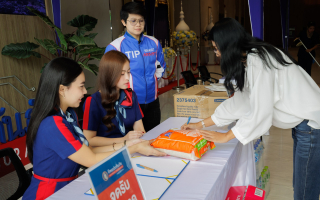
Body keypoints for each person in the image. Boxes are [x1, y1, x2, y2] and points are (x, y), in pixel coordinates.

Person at [181, 18, 320, 200]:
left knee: (304, 191)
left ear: (227, 44)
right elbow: (242, 101)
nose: (216, 54)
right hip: (304, 123)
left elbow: (260, 111)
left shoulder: (258, 59)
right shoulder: (250, 57)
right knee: (302, 185)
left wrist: (226, 136)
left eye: (216, 48)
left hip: (311, 124)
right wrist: (201, 124)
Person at [23, 57, 165, 200]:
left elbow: (86, 151)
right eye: (81, 86)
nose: (85, 91)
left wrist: (127, 144)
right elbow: (91, 159)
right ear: (62, 89)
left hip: (69, 186)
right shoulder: (53, 124)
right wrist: (134, 148)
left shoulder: (68, 115)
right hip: (49, 193)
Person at [105, 2, 166, 132]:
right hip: (127, 102)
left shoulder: (154, 43)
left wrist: (153, 80)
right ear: (123, 22)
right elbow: (110, 77)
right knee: (134, 140)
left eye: (141, 20)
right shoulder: (115, 47)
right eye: (133, 21)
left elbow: (161, 67)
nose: (138, 24)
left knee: (153, 135)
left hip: (152, 101)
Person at [82, 50, 145, 147]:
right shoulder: (93, 101)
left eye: (128, 72)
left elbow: (140, 130)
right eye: (122, 74)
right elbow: (89, 140)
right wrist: (123, 140)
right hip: (105, 153)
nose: (128, 78)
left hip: (130, 147)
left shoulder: (130, 95)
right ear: (109, 74)